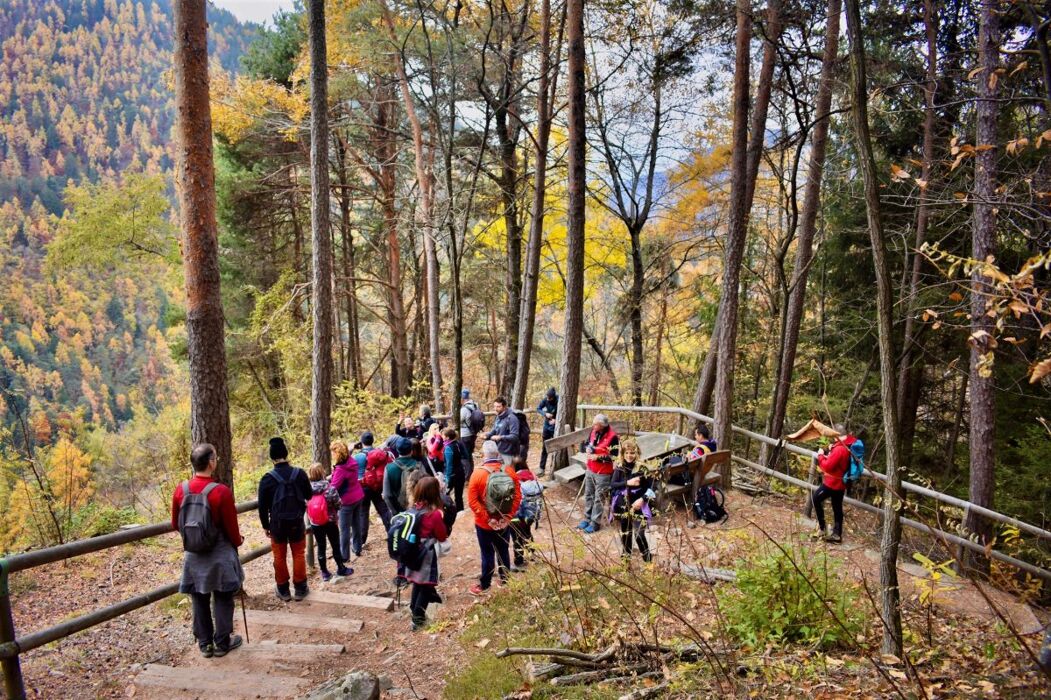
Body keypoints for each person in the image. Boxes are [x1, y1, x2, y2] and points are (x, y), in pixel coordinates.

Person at [172, 444, 244, 658]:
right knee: (222, 595)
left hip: (193, 554)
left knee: (199, 597)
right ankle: (222, 642)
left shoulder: (181, 489)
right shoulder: (220, 492)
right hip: (219, 552)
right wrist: (237, 542)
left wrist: (195, 538)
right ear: (211, 462)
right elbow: (232, 528)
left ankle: (205, 644)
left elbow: (175, 523)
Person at [257, 437, 312, 601]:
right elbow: (308, 494)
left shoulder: (267, 479)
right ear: (286, 454)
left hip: (277, 524)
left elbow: (262, 506)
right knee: (299, 553)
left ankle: (283, 589)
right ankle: (301, 588)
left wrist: (266, 526)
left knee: (279, 556)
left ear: (271, 457)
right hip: (296, 521)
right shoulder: (299, 474)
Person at [467, 441, 521, 596]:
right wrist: (508, 517)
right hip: (504, 522)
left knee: (487, 553)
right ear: (498, 454)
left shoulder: (477, 474)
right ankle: (505, 580)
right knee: (503, 550)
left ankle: (485, 585)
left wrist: (488, 519)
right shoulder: (509, 471)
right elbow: (517, 496)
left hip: (484, 524)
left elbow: (472, 501)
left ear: (484, 455)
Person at [397, 476, 450, 631]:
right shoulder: (433, 515)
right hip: (425, 555)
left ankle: (414, 610)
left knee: (417, 583)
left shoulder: (412, 509)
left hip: (411, 552)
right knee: (426, 586)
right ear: (434, 493)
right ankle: (418, 620)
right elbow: (441, 535)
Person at [610, 437, 653, 562]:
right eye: (626, 453)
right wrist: (628, 482)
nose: (629, 456)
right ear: (623, 454)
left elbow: (652, 487)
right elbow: (612, 485)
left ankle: (648, 560)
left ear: (637, 453)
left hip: (639, 504)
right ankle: (626, 561)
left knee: (639, 534)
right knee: (626, 533)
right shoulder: (620, 468)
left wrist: (642, 500)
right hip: (625, 504)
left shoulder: (642, 468)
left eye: (632, 453)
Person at [307, 463, 353, 581]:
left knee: (321, 546)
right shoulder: (330, 488)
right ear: (322, 472)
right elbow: (339, 504)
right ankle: (341, 568)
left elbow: (305, 504)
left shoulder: (307, 491)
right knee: (335, 545)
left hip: (315, 523)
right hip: (330, 521)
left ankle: (324, 573)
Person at [810, 426, 856, 543]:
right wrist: (832, 449)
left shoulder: (840, 449)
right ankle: (837, 534)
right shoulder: (847, 444)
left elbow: (827, 466)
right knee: (837, 507)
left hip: (833, 482)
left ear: (836, 434)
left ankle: (822, 528)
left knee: (816, 498)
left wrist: (820, 455)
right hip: (841, 483)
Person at [579, 414, 619, 534]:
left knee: (598, 498)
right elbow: (587, 443)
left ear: (602, 426)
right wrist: (587, 448)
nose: (593, 425)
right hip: (590, 469)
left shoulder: (613, 437)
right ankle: (587, 518)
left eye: (595, 424)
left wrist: (599, 457)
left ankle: (595, 523)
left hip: (603, 472)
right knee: (588, 494)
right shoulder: (593, 431)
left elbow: (615, 456)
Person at [330, 440, 367, 560]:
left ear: (337, 454)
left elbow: (333, 488)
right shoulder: (351, 461)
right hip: (358, 496)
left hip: (346, 501)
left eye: (333, 452)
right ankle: (357, 548)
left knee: (344, 529)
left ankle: (344, 556)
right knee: (356, 523)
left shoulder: (341, 470)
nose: (332, 455)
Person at [509, 457, 544, 570]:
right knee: (527, 534)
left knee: (517, 538)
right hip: (531, 515)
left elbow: (515, 499)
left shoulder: (515, 480)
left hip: (518, 515)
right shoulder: (533, 478)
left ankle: (519, 561)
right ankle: (532, 554)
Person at [359, 434, 393, 547]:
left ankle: (361, 540)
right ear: (373, 441)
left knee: (363, 513)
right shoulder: (379, 454)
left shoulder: (359, 456)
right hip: (378, 486)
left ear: (361, 442)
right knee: (383, 510)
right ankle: (391, 533)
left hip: (364, 486)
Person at [383, 437, 421, 516]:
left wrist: (395, 512)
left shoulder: (389, 468)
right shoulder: (419, 465)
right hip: (418, 509)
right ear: (411, 450)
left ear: (397, 450)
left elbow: (387, 495)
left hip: (400, 510)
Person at [484, 396, 520, 466]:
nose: (495, 409)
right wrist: (487, 435)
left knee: (508, 474)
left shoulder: (512, 418)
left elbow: (515, 436)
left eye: (498, 407)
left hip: (508, 453)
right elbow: (494, 430)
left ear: (504, 407)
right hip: (498, 452)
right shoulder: (498, 417)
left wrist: (500, 437)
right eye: (494, 406)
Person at [442, 427, 468, 512]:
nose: (442, 436)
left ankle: (448, 513)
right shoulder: (458, 443)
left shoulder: (448, 448)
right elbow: (466, 455)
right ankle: (460, 512)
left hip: (452, 475)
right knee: (459, 496)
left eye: (443, 435)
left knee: (445, 495)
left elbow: (449, 465)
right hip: (461, 472)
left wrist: (447, 479)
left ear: (447, 437)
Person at [536, 387, 558, 476]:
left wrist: (556, 420)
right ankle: (542, 469)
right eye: (547, 397)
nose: (548, 399)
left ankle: (554, 468)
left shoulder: (559, 400)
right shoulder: (545, 400)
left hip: (556, 427)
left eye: (550, 398)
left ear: (553, 397)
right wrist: (545, 414)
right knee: (545, 447)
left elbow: (564, 412)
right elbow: (538, 408)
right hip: (547, 426)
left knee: (556, 447)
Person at [459, 389, 482, 464]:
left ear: (462, 398)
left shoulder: (464, 409)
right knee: (469, 453)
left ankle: (468, 473)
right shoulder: (475, 406)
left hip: (465, 435)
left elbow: (459, 420)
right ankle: (471, 470)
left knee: (466, 455)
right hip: (473, 433)